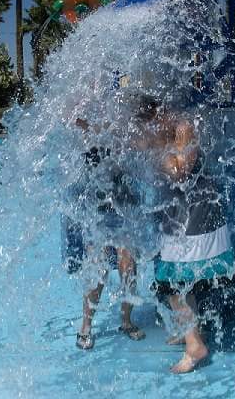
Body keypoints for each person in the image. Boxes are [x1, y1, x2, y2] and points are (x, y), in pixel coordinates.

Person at [133, 95, 235, 374]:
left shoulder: (183, 128)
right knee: (178, 282)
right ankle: (190, 330)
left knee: (172, 283)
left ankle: (195, 346)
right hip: (179, 214)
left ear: (159, 115)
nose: (149, 130)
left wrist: (155, 147)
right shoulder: (164, 132)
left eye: (150, 124)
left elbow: (180, 171)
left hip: (197, 214)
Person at [74, 118, 146, 350]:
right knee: (98, 268)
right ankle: (86, 326)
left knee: (129, 265)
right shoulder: (87, 123)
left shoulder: (123, 123)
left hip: (124, 204)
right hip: (97, 208)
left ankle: (126, 321)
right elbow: (78, 124)